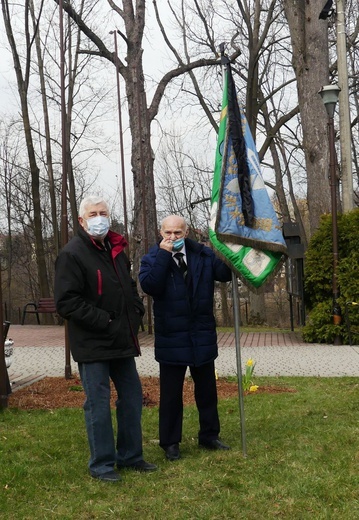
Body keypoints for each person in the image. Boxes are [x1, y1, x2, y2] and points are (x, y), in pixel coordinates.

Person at [54, 195, 157, 482]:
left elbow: (129, 287)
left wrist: (135, 311)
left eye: (103, 212)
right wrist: (105, 321)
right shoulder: (72, 254)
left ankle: (131, 456)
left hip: (122, 341)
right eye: (93, 213)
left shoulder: (116, 249)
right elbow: (67, 302)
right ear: (81, 220)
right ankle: (102, 465)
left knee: (132, 398)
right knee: (97, 403)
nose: (99, 218)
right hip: (93, 344)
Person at [139, 215, 232, 462]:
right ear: (161, 232)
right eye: (168, 233)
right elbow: (150, 286)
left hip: (201, 334)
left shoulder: (203, 254)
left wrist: (229, 248)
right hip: (171, 337)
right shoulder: (151, 258)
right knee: (171, 394)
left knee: (207, 391)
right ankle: (170, 443)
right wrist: (163, 256)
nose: (172, 238)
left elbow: (224, 274)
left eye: (177, 233)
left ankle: (209, 435)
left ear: (186, 232)